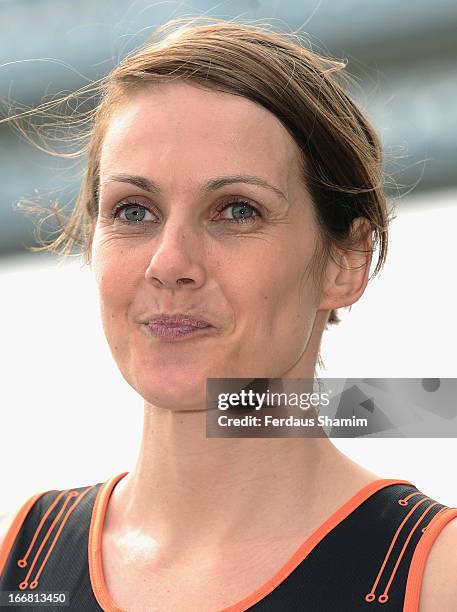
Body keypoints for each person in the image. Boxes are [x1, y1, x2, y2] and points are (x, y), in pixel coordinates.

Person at [0, 17, 456, 612]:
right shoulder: (16, 561)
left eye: (236, 211)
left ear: (346, 262)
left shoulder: (436, 579)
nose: (170, 263)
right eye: (134, 211)